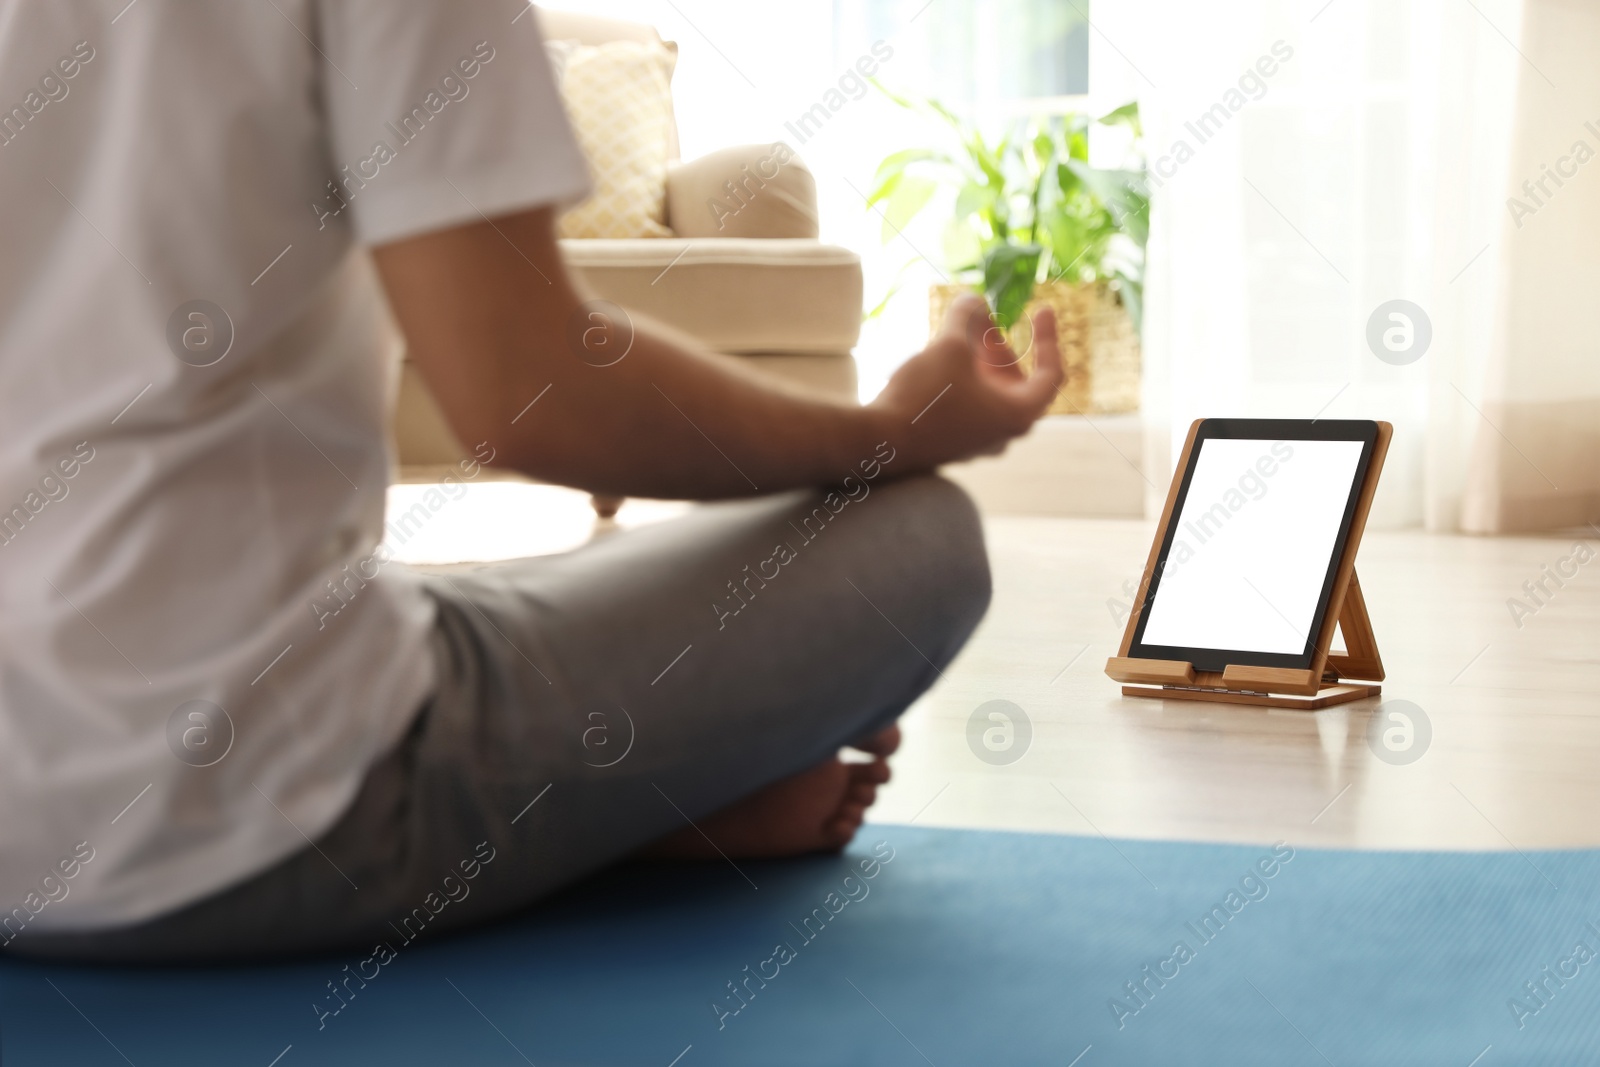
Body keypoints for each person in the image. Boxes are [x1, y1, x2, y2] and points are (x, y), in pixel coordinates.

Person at [0, 0, 1059, 963]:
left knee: (424, 596)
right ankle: (626, 816)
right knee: (919, 540)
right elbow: (532, 392)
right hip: (228, 814)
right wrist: (886, 434)